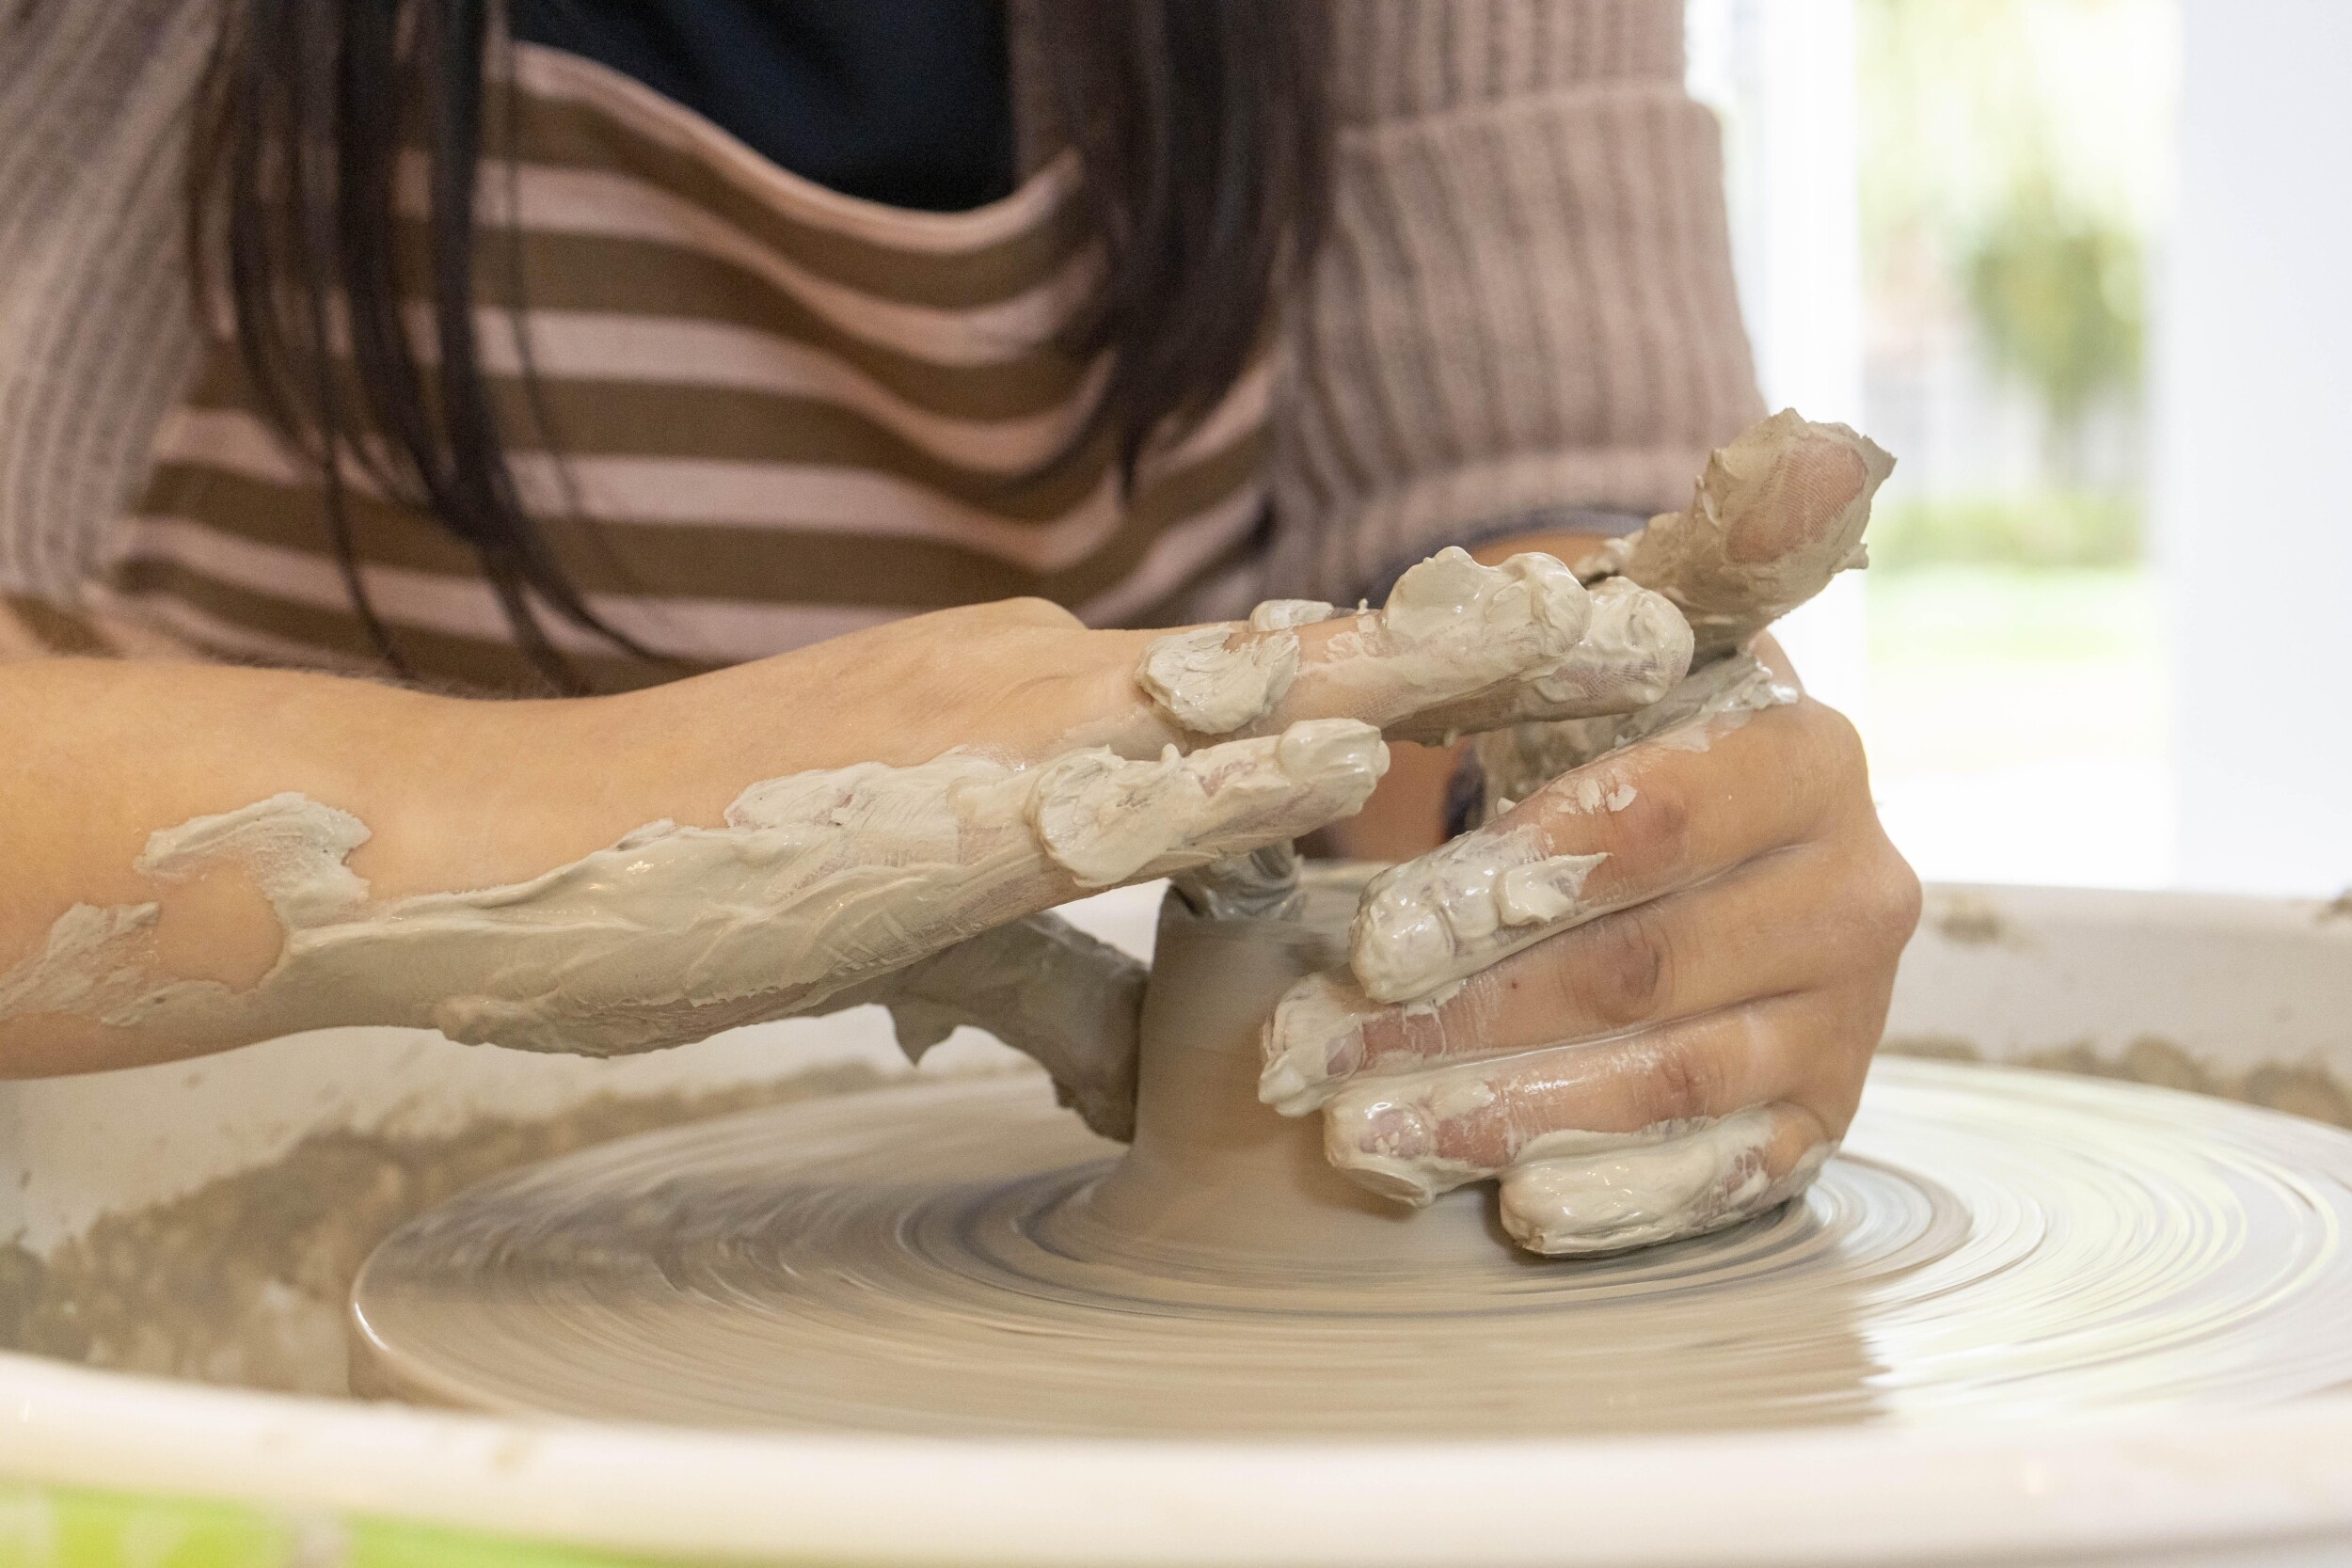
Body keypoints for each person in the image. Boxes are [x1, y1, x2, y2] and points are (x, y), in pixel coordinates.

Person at [0, 1, 1917, 1248]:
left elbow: (1528, 552)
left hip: (1044, 1227)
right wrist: (569, 825)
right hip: (153, 1227)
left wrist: (1625, 866)